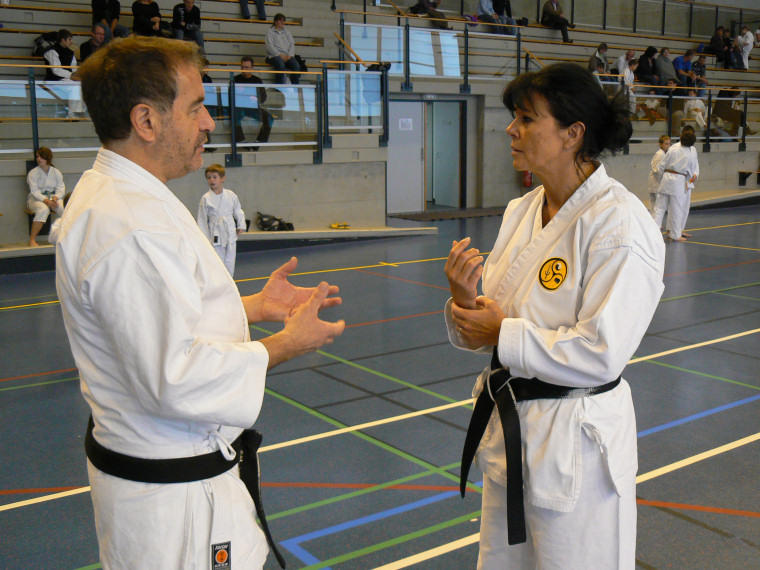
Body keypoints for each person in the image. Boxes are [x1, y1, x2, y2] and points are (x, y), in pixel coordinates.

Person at [55, 36, 345, 569]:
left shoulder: (126, 196)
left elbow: (160, 318)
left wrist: (253, 306)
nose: (209, 123)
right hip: (177, 512)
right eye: (195, 108)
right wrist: (285, 344)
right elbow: (175, 376)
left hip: (173, 487)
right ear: (146, 121)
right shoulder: (129, 225)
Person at [448, 63, 665, 568]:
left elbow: (601, 353)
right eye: (514, 117)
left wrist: (502, 332)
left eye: (526, 119)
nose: (511, 129)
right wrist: (465, 301)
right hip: (514, 438)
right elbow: (494, 325)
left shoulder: (619, 223)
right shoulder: (522, 210)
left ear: (573, 134)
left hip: (577, 446)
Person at [197, 164, 246, 275]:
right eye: (209, 178)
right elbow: (202, 220)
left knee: (230, 262)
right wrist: (204, 238)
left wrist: (241, 225)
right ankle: (220, 283)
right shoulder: (206, 198)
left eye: (215, 177)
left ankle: (229, 283)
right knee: (218, 262)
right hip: (215, 233)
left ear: (222, 178)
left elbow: (238, 210)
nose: (211, 180)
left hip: (230, 231)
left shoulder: (231, 195)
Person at [654, 126, 698, 241]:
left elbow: (661, 166)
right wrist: (688, 178)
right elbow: (690, 172)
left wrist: (663, 177)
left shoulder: (672, 148)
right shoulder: (689, 154)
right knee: (676, 209)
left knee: (659, 208)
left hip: (666, 178)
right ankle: (675, 235)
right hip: (678, 181)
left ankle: (653, 232)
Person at [42, 29, 86, 118]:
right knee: (75, 86)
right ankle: (72, 113)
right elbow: (56, 70)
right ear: (63, 39)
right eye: (69, 39)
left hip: (67, 79)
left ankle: (82, 111)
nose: (71, 42)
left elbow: (73, 68)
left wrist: (77, 75)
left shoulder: (70, 52)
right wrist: (71, 76)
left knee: (83, 84)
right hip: (54, 80)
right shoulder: (51, 51)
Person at [27, 146, 65, 247]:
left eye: (41, 157)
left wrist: (56, 198)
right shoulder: (33, 173)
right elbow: (35, 191)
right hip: (36, 200)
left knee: (63, 207)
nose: (39, 159)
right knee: (43, 209)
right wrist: (46, 200)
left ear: (47, 158)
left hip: (53, 198)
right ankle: (32, 240)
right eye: (37, 157)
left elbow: (61, 189)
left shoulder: (56, 172)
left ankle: (65, 237)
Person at [233, 55, 273, 147]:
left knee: (269, 118)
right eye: (242, 67)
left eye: (246, 67)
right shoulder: (235, 79)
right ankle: (241, 141)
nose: (244, 69)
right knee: (234, 117)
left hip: (253, 108)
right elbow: (229, 96)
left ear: (252, 68)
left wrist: (257, 99)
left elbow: (263, 97)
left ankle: (259, 141)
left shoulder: (257, 80)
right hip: (239, 108)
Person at [266, 13, 300, 84]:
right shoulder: (270, 32)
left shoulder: (287, 32)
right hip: (274, 56)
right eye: (280, 20)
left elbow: (292, 44)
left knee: (296, 66)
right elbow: (270, 46)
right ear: (275, 21)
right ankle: (280, 87)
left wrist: (289, 55)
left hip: (287, 56)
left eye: (283, 21)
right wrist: (279, 55)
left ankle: (295, 87)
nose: (282, 22)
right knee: (280, 65)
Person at [648, 134, 670, 211]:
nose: (668, 146)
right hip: (656, 183)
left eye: (669, 144)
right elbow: (656, 169)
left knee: (654, 206)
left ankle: (652, 218)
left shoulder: (663, 154)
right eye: (666, 144)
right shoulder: (660, 154)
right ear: (660, 144)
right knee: (657, 206)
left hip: (656, 183)